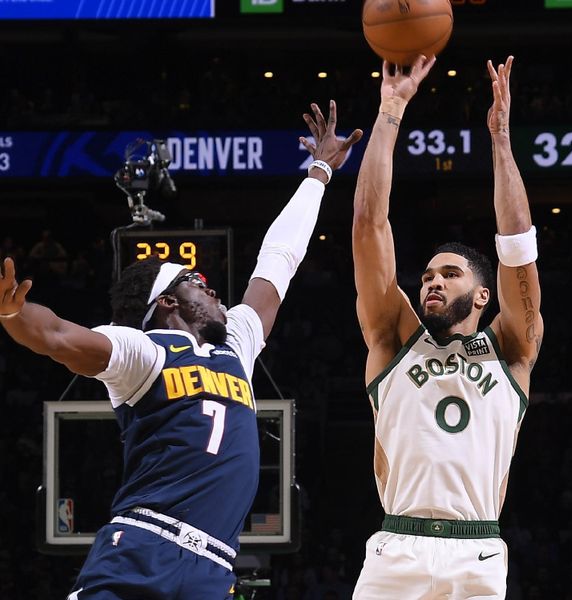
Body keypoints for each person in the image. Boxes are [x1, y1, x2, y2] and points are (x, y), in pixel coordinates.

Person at [0, 100, 362, 600]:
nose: (214, 291)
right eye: (198, 283)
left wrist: (318, 172)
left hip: (215, 565)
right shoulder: (142, 351)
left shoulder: (236, 342)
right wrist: (14, 316)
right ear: (167, 301)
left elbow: (279, 258)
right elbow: (58, 336)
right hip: (143, 547)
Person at [351, 55, 543, 598]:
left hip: (477, 549)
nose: (432, 282)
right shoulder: (393, 339)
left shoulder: (512, 351)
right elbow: (369, 224)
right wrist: (391, 111)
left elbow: (518, 249)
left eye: (450, 274)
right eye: (429, 275)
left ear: (484, 294)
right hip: (397, 546)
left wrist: (502, 143)